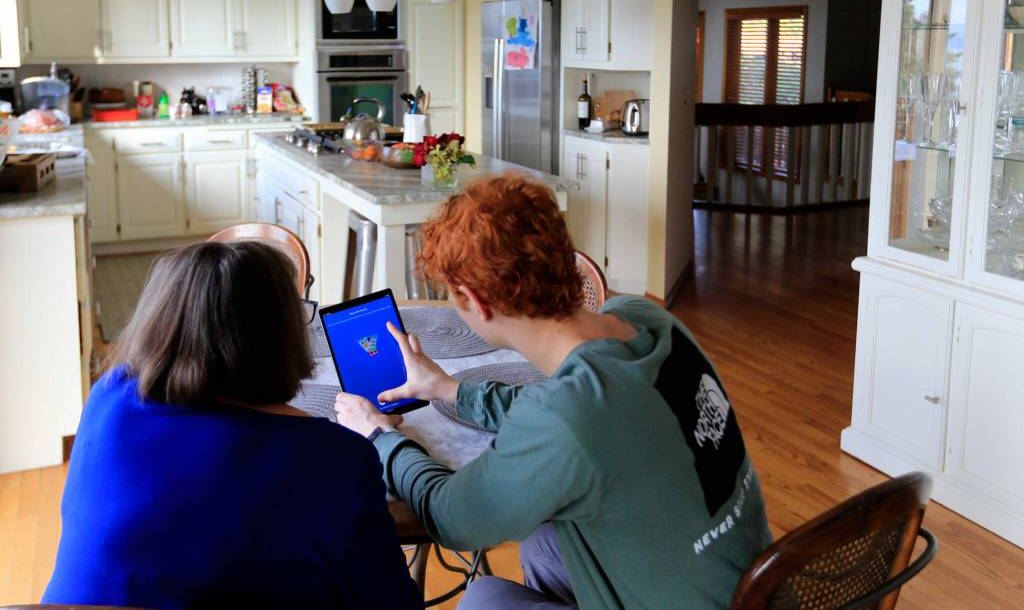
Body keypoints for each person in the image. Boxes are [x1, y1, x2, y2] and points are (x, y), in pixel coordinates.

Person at [335, 174, 773, 609]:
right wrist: (449, 389)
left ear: (477, 301)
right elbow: (575, 415)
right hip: (745, 587)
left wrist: (379, 438)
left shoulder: (565, 416)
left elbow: (452, 518)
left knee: (486, 600)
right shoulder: (645, 318)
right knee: (545, 538)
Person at [44, 241, 420, 610]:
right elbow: (394, 602)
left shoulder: (108, 395)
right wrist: (366, 432)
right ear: (280, 338)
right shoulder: (337, 459)